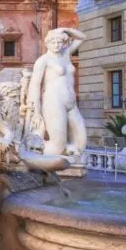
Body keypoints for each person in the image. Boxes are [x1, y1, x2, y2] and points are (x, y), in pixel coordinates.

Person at [29, 27, 86, 157]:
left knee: (80, 144)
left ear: (63, 43)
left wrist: (64, 29)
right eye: (53, 42)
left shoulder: (66, 54)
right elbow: (34, 86)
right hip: (54, 103)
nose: (56, 45)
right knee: (57, 148)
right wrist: (36, 112)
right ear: (47, 43)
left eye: (59, 42)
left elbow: (82, 37)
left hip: (71, 103)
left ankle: (66, 164)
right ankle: (31, 151)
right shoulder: (43, 60)